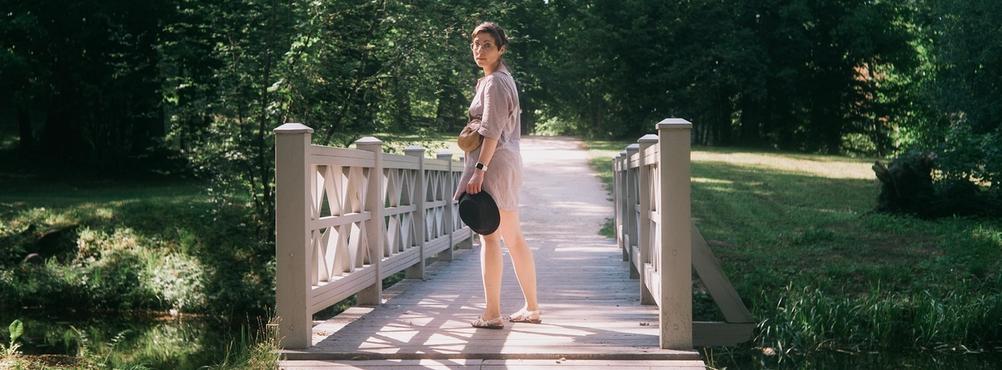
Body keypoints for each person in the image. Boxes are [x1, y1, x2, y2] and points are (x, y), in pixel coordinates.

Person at [454, 22, 540, 329]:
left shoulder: (494, 83)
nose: (479, 50)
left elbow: (490, 132)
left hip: (493, 165)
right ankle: (531, 307)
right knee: (513, 238)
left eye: (487, 45)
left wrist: (478, 171)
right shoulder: (497, 80)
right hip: (504, 164)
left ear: (501, 49)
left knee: (490, 237)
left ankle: (492, 313)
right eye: (476, 44)